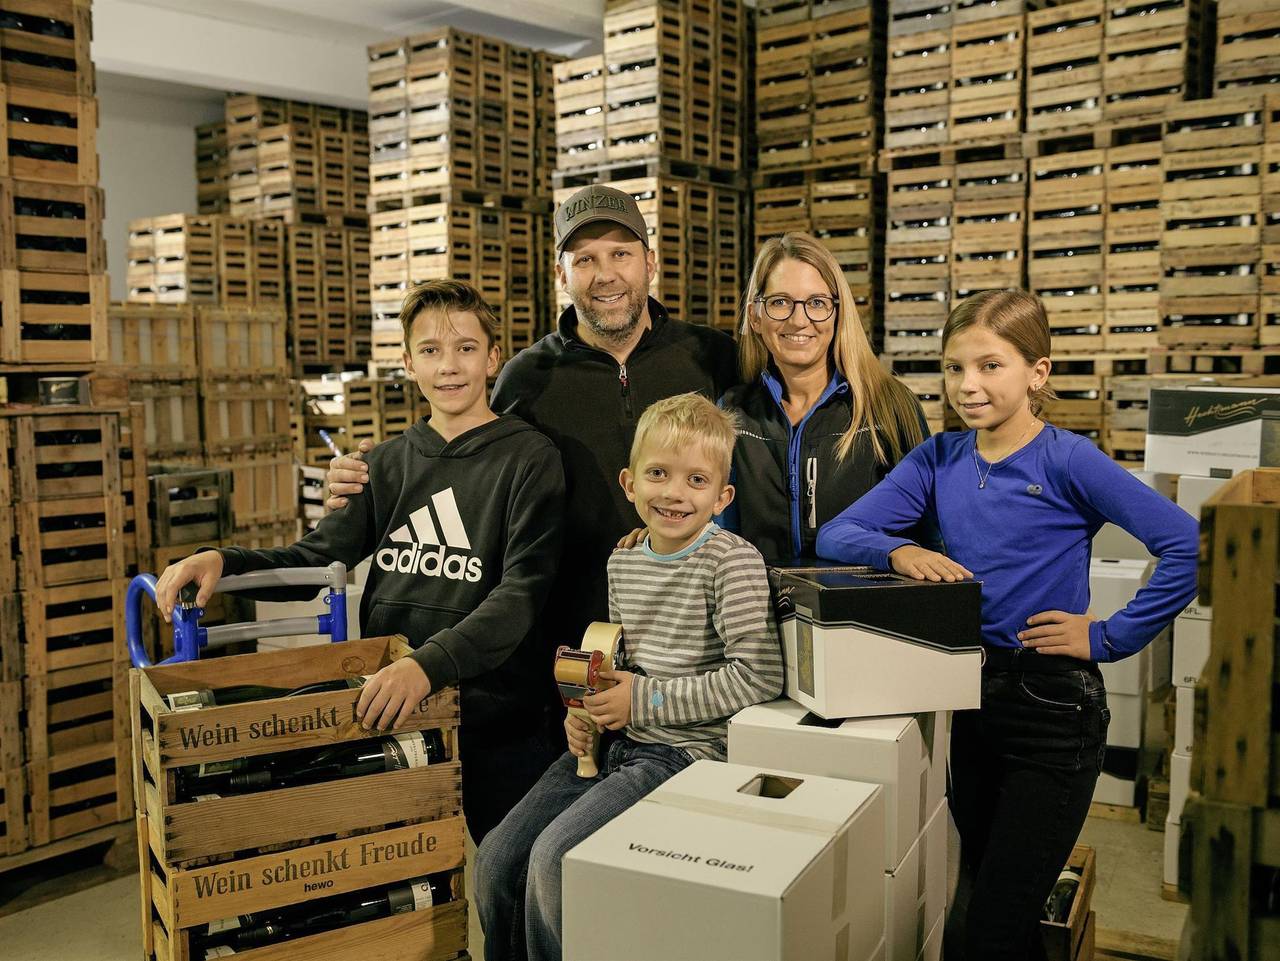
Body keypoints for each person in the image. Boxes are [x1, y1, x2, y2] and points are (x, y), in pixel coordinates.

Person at [815, 289, 1199, 960]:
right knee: (991, 903)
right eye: (955, 367)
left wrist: (1108, 636)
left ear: (1037, 372)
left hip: (1052, 709)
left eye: (991, 366)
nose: (969, 384)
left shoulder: (1067, 460)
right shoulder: (939, 459)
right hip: (967, 699)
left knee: (990, 924)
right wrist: (899, 548)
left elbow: (1187, 545)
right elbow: (839, 533)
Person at [153, 280, 566, 844]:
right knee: (411, 889)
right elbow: (314, 559)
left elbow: (520, 595)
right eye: (430, 350)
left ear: (493, 357)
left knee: (508, 884)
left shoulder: (529, 458)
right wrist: (223, 563)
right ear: (407, 362)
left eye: (466, 348)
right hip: (396, 716)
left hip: (498, 720)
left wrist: (426, 665)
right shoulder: (388, 464)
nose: (449, 366)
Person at [325, 184, 739, 652]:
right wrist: (369, 481)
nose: (605, 275)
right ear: (561, 275)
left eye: (620, 254)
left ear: (650, 263)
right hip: (566, 632)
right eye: (584, 260)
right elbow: (469, 468)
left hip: (694, 628)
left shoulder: (712, 358)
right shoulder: (527, 377)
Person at [473, 393, 784, 961]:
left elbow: (758, 676)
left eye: (696, 480)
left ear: (723, 497)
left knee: (554, 862)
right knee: (497, 858)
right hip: (617, 744)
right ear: (629, 483)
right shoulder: (625, 560)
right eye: (658, 474)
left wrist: (642, 701)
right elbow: (619, 661)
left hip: (685, 755)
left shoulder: (730, 562)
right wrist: (587, 710)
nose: (673, 493)